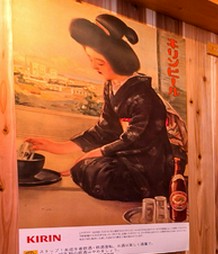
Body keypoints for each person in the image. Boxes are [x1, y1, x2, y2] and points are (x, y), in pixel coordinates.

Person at [26, 14, 182, 202]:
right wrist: (59, 147)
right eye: (90, 59)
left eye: (99, 62)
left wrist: (93, 154)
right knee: (87, 168)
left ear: (118, 60)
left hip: (146, 162)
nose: (93, 66)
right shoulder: (111, 86)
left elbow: (134, 139)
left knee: (101, 175)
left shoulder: (143, 95)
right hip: (123, 157)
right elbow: (105, 128)